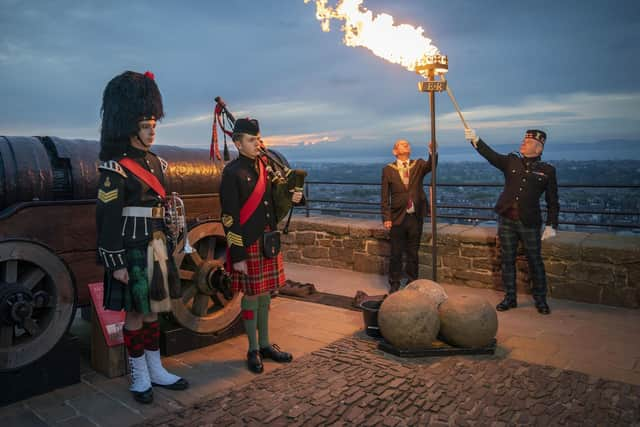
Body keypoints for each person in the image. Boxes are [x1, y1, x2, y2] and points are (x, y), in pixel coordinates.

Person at [96, 71, 188, 404]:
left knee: (154, 311)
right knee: (134, 314)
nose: (152, 132)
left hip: (156, 243)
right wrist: (115, 261)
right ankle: (138, 374)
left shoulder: (159, 163)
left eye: (154, 126)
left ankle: (156, 368)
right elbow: (107, 219)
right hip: (131, 245)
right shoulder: (115, 167)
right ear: (131, 127)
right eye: (146, 126)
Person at [220, 118, 303, 373]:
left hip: (268, 239)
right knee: (252, 294)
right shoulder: (232, 172)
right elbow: (229, 218)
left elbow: (279, 198)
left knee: (266, 293)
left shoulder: (266, 166)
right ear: (238, 143)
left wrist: (295, 197)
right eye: (251, 140)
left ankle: (266, 344)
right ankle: (253, 348)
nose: (257, 144)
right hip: (248, 242)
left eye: (258, 139)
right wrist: (238, 254)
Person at [464, 128, 559, 314]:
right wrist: (476, 140)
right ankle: (510, 298)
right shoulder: (511, 161)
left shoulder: (547, 170)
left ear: (539, 149)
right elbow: (491, 156)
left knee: (535, 261)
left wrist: (551, 225)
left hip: (530, 222)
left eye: (529, 142)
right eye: (524, 140)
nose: (524, 143)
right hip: (506, 219)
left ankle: (540, 300)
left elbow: (552, 201)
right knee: (507, 260)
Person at [381, 140, 436, 293]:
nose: (406, 145)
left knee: (413, 252)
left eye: (408, 144)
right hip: (397, 216)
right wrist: (386, 217)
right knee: (396, 253)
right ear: (395, 151)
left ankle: (412, 281)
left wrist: (432, 152)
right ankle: (394, 282)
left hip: (415, 216)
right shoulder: (388, 170)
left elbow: (431, 166)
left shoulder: (417, 165)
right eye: (402, 144)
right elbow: (384, 196)